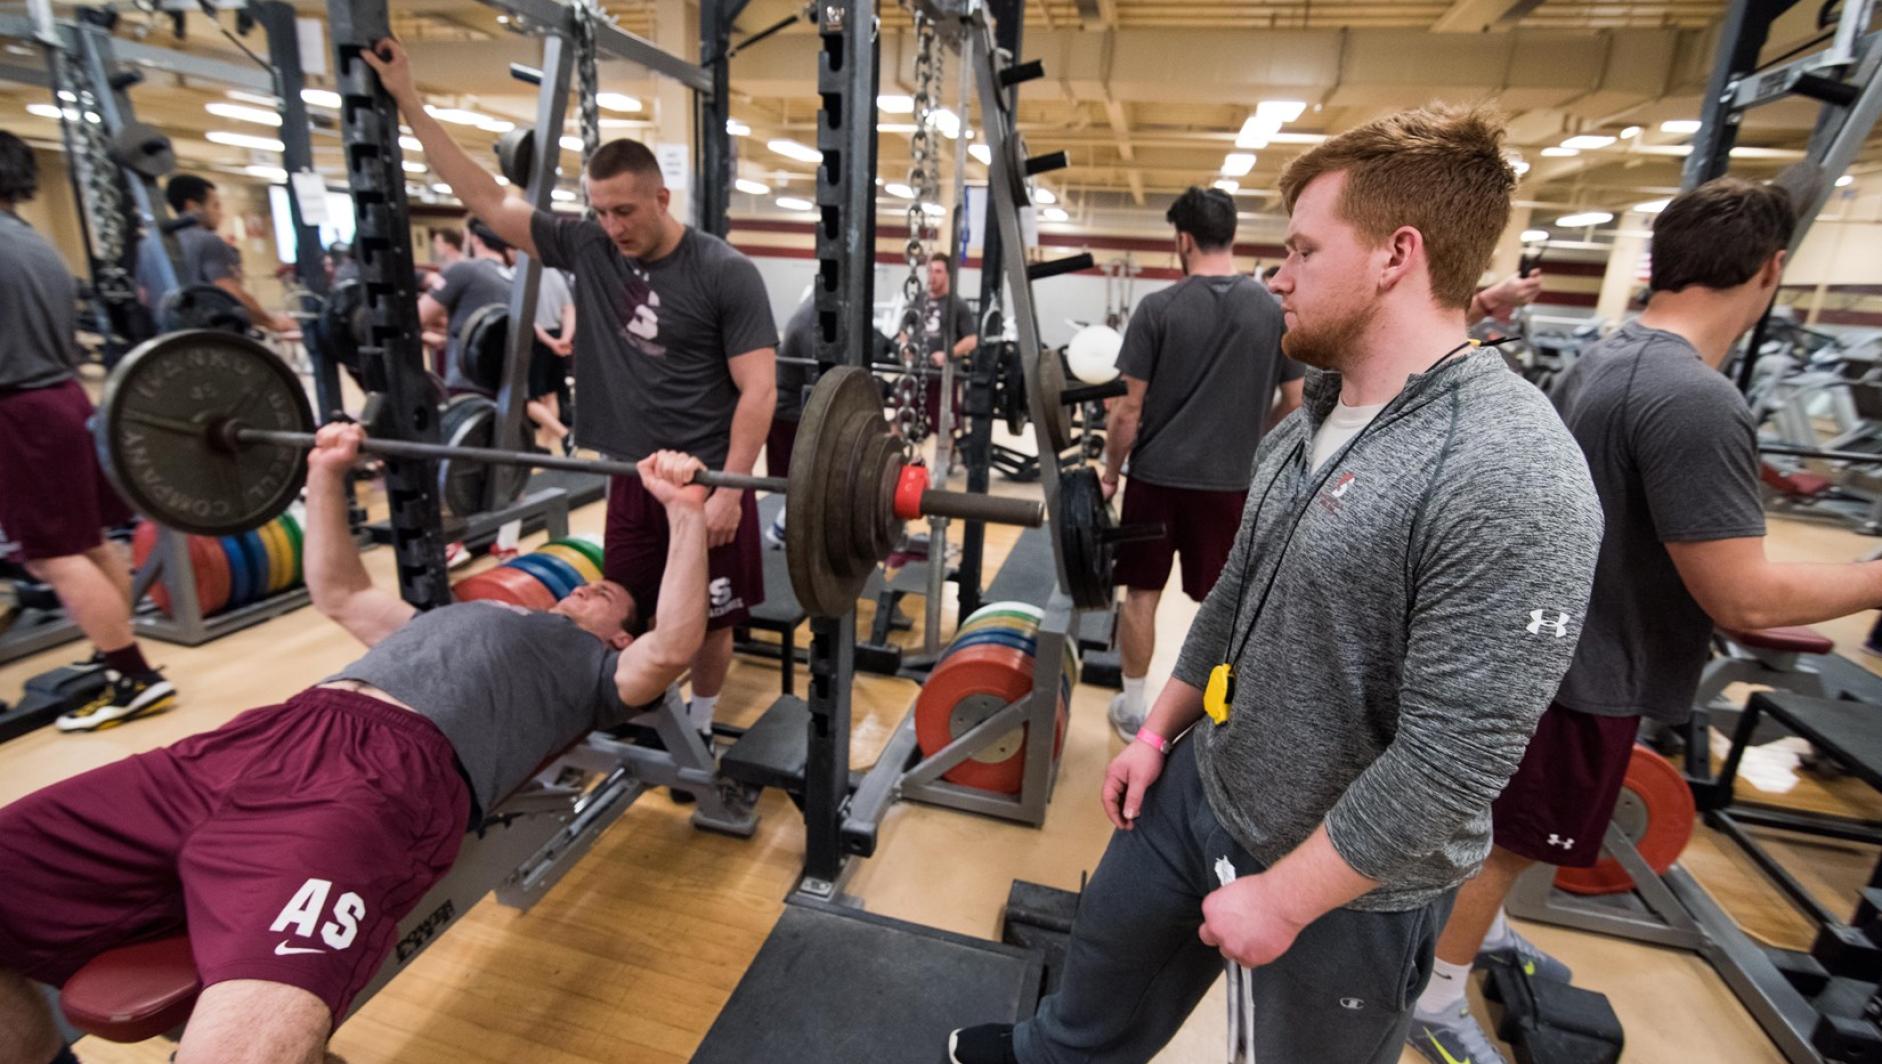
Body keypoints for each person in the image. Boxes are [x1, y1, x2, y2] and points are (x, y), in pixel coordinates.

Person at [948, 104, 1604, 1064]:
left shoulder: (1512, 470)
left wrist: (1283, 896)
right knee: (1096, 988)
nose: (1277, 277)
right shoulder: (1309, 423)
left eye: (1301, 250)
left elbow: (1455, 761)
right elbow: (1233, 603)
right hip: (1203, 785)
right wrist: (1159, 730)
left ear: (1396, 255)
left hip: (1350, 885)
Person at [0, 423, 711, 1064]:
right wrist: (328, 471)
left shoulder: (599, 674)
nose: (588, 587)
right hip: (262, 738)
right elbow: (339, 593)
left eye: (608, 593)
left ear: (622, 633)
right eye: (587, 583)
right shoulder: (449, 619)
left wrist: (684, 515)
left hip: (382, 783)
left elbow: (674, 644)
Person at [1406, 175, 1882, 1064]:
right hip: (1582, 664)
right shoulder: (1696, 399)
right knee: (1508, 844)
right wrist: (1874, 579)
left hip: (1552, 644)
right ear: (1772, 269)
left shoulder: (1611, 353)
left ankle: (1487, 935)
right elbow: (1744, 598)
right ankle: (1434, 996)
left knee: (1506, 836)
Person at [363, 39, 777, 744]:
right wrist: (408, 99)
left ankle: (699, 726)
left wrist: (732, 490)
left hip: (705, 480)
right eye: (601, 212)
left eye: (625, 211)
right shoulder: (589, 245)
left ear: (661, 197)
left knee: (711, 617)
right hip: (627, 474)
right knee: (627, 605)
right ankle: (634, 713)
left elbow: (759, 389)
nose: (613, 227)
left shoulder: (723, 271)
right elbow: (489, 199)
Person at [1101, 186, 1302, 742]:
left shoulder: (1157, 309)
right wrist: (1251, 448)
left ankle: (1136, 709)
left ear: (1182, 239)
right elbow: (1297, 405)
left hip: (1154, 481)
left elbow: (1126, 411)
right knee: (1221, 604)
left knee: (1141, 594)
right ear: (1232, 235)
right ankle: (1202, 716)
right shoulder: (1271, 309)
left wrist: (1111, 470)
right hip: (1231, 487)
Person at [0, 131, 174, 733]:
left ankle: (133, 676)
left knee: (52, 557)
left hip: (20, 411)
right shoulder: (36, 243)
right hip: (69, 400)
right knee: (92, 540)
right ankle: (114, 656)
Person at [136, 174, 295, 334]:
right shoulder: (209, 241)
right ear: (192, 207)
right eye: (215, 206)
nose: (221, 213)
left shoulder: (146, 245)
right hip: (207, 337)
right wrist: (272, 322)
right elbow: (229, 291)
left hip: (164, 340)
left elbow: (143, 296)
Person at [420, 219, 515, 396]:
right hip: (504, 385)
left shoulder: (463, 270)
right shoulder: (514, 279)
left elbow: (418, 316)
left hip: (466, 383)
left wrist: (425, 334)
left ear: (475, 239)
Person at [527, 265, 578, 452]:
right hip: (557, 336)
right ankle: (544, 448)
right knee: (550, 395)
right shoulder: (555, 273)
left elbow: (528, 318)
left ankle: (565, 435)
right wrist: (564, 337)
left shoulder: (519, 274)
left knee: (526, 400)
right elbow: (569, 309)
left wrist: (552, 342)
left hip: (536, 340)